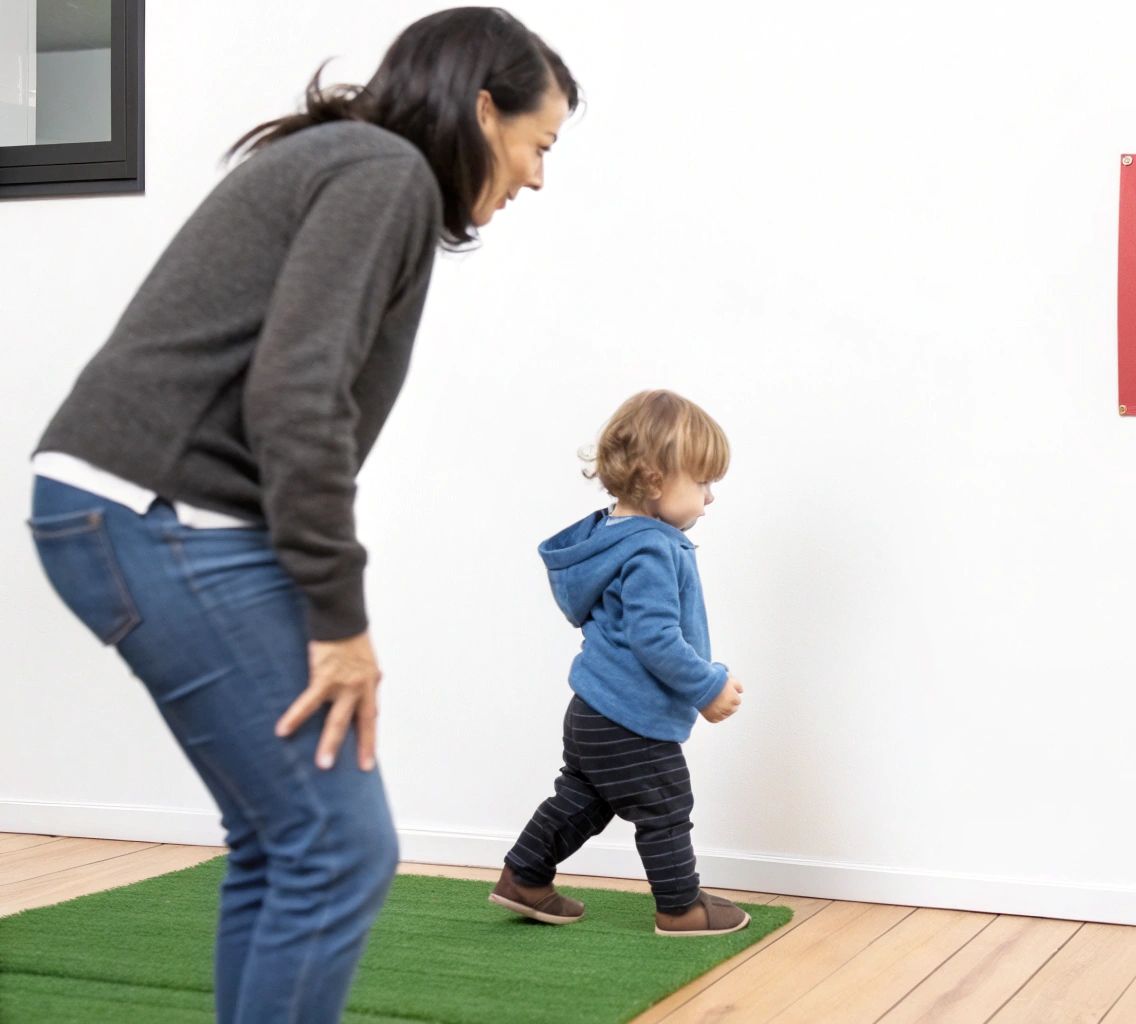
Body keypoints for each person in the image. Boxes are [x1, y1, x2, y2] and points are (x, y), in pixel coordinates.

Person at [25, 9, 578, 1020]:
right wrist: (339, 618)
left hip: (132, 507)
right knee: (339, 845)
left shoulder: (352, 162)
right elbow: (297, 393)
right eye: (540, 144)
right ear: (482, 107)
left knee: (284, 842)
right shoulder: (384, 173)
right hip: (154, 510)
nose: (539, 175)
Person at [492, 390, 751, 936]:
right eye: (702, 482)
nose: (710, 498)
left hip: (591, 710)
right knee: (664, 804)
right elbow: (655, 639)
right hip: (629, 717)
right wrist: (707, 686)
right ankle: (681, 908)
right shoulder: (654, 548)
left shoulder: (607, 538)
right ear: (656, 481)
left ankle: (524, 877)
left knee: (583, 800)